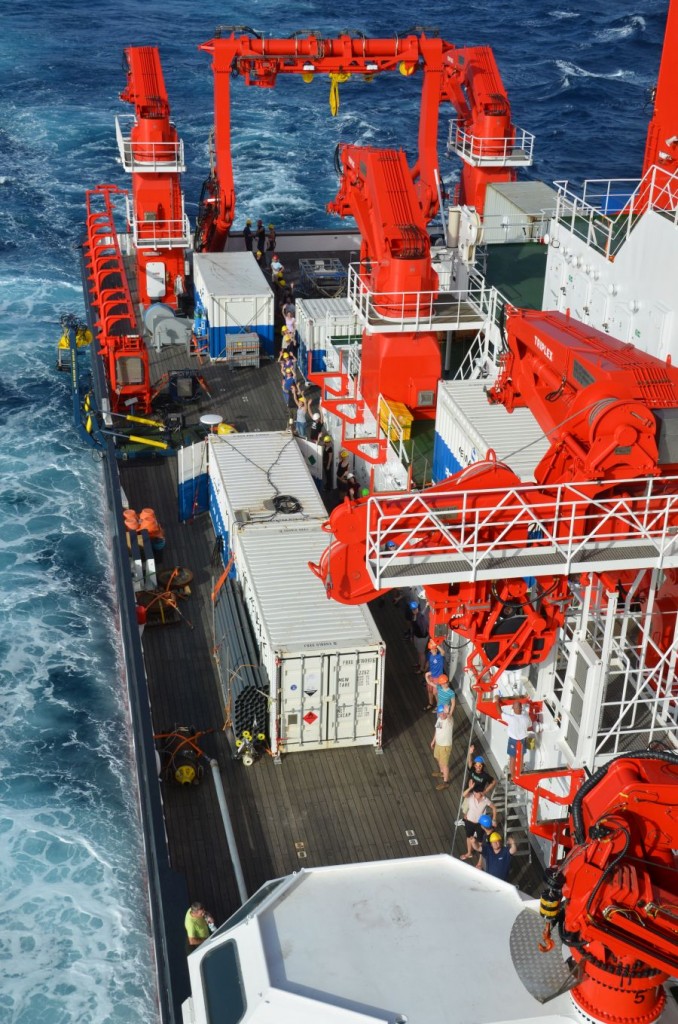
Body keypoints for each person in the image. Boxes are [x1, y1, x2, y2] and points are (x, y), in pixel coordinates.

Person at [496, 695, 531, 777]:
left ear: (514, 709)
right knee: (521, 757)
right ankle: (520, 774)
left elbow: (500, 712)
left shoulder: (510, 718)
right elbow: (530, 724)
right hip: (523, 740)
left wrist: (497, 701)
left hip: (513, 740)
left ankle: (513, 776)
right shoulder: (526, 718)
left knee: (512, 758)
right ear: (521, 708)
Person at [461, 795, 497, 861]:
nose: (476, 793)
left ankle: (480, 861)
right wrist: (465, 814)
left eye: (477, 792)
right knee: (469, 837)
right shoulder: (471, 796)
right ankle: (469, 853)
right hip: (469, 821)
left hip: (479, 823)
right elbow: (464, 795)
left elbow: (494, 808)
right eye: (475, 791)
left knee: (480, 841)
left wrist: (494, 819)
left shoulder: (485, 799)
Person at [430, 703, 454, 791]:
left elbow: (450, 717)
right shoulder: (439, 720)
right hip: (438, 744)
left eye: (443, 713)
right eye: (441, 713)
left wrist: (448, 713)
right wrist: (433, 741)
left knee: (445, 764)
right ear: (438, 713)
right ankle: (442, 772)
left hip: (445, 746)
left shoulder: (449, 721)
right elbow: (437, 731)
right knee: (437, 757)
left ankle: (446, 782)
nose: (442, 715)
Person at [423, 638, 446, 703]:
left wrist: (437, 645)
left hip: (437, 677)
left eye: (433, 649)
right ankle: (431, 703)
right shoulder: (429, 655)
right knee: (429, 690)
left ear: (436, 649)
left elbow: (443, 652)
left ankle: (438, 706)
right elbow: (428, 663)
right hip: (431, 675)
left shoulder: (439, 657)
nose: (432, 651)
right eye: (431, 649)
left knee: (435, 693)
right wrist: (425, 670)